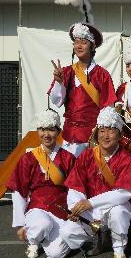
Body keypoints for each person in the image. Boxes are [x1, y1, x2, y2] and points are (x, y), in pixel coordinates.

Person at [60, 107, 131, 258]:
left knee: (118, 213)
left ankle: (118, 248)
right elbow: (75, 184)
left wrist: (91, 202)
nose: (106, 136)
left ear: (120, 134)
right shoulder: (87, 155)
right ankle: (98, 236)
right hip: (91, 210)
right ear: (96, 133)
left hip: (114, 207)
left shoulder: (125, 158)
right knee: (67, 232)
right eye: (102, 130)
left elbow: (124, 192)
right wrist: (76, 207)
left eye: (111, 130)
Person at [7, 109, 76, 258]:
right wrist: (20, 224)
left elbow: (74, 188)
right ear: (37, 130)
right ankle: (34, 241)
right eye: (42, 129)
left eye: (51, 129)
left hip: (61, 209)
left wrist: (74, 210)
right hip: (37, 208)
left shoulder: (68, 158)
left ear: (58, 131)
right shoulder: (28, 158)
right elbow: (19, 190)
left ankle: (48, 238)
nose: (46, 134)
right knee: (42, 224)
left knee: (56, 254)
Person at [48, 22, 117, 157]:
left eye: (84, 42)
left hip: (91, 138)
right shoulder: (66, 72)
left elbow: (108, 109)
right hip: (68, 136)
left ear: (92, 46)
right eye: (76, 42)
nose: (79, 46)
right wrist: (59, 82)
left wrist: (101, 137)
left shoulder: (102, 74)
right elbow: (56, 101)